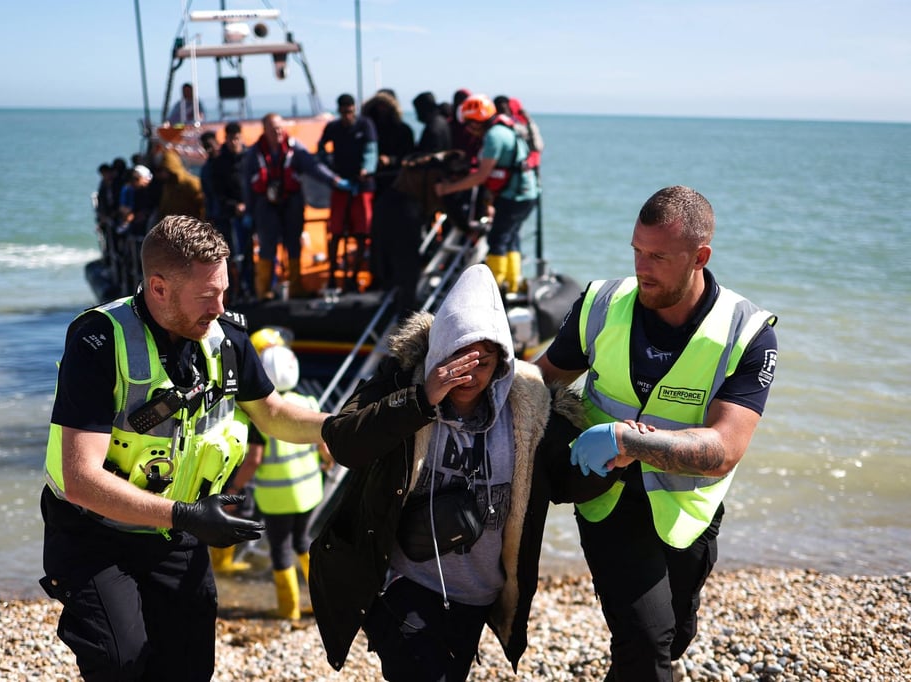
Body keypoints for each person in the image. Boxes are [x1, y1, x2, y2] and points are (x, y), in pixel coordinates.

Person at [39, 215, 330, 680]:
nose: (220, 306)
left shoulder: (227, 338)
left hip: (176, 532)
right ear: (158, 288)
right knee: (120, 662)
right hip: (94, 533)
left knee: (191, 667)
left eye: (224, 291)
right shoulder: (97, 341)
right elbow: (80, 479)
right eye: (207, 295)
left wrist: (337, 428)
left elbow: (274, 415)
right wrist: (187, 516)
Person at [309, 264, 615, 680]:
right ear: (438, 350)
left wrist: (613, 461)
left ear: (502, 363)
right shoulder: (401, 383)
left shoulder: (529, 407)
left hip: (477, 592)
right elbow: (344, 441)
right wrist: (421, 399)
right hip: (404, 581)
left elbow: (563, 481)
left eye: (484, 363)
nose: (469, 375)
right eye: (457, 358)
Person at [535, 186, 780, 681]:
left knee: (671, 636)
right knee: (645, 644)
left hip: (689, 510)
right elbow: (538, 383)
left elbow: (725, 449)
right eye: (637, 252)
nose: (642, 268)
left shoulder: (746, 333)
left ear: (699, 256)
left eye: (659, 257)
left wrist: (629, 443)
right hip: (604, 496)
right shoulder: (600, 304)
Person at [226, 343, 332, 619]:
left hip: (277, 499)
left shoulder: (262, 414)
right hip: (309, 491)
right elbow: (323, 443)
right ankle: (323, 602)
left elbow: (254, 460)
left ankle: (289, 611)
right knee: (303, 542)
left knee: (280, 549)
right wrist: (327, 463)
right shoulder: (309, 403)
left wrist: (234, 488)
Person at [435, 94, 539, 296]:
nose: (468, 129)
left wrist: (448, 188)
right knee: (511, 239)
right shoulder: (505, 129)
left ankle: (494, 291)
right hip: (526, 194)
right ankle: (512, 283)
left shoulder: (493, 136)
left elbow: (482, 176)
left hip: (514, 197)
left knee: (497, 240)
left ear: (478, 121)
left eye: (470, 124)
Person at [245, 112, 347, 299]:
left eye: (279, 127)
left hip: (291, 202)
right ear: (265, 129)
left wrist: (334, 180)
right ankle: (263, 290)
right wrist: (249, 210)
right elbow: (247, 183)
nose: (277, 131)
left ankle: (296, 286)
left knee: (294, 244)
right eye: (272, 127)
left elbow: (314, 167)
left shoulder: (295, 148)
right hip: (265, 204)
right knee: (267, 245)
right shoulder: (254, 153)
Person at [361, 90, 421, 319]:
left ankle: (394, 284)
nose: (382, 112)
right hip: (377, 191)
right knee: (379, 240)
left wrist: (390, 161)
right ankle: (380, 278)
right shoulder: (370, 128)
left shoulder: (403, 131)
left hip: (398, 191)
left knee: (398, 246)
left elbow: (409, 158)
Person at [317, 93, 378, 292]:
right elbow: (321, 148)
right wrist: (330, 168)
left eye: (350, 111)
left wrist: (366, 169)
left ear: (354, 109)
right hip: (341, 185)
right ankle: (333, 275)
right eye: (343, 112)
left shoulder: (365, 125)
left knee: (361, 233)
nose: (347, 115)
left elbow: (371, 150)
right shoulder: (333, 127)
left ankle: (353, 276)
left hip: (362, 187)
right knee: (336, 232)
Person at [214, 122, 255, 301]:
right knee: (230, 255)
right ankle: (233, 293)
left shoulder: (249, 158)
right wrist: (233, 206)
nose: (233, 142)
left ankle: (250, 288)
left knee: (248, 252)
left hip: (248, 213)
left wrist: (248, 205)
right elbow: (218, 191)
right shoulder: (219, 162)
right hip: (228, 215)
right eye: (230, 139)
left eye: (236, 138)